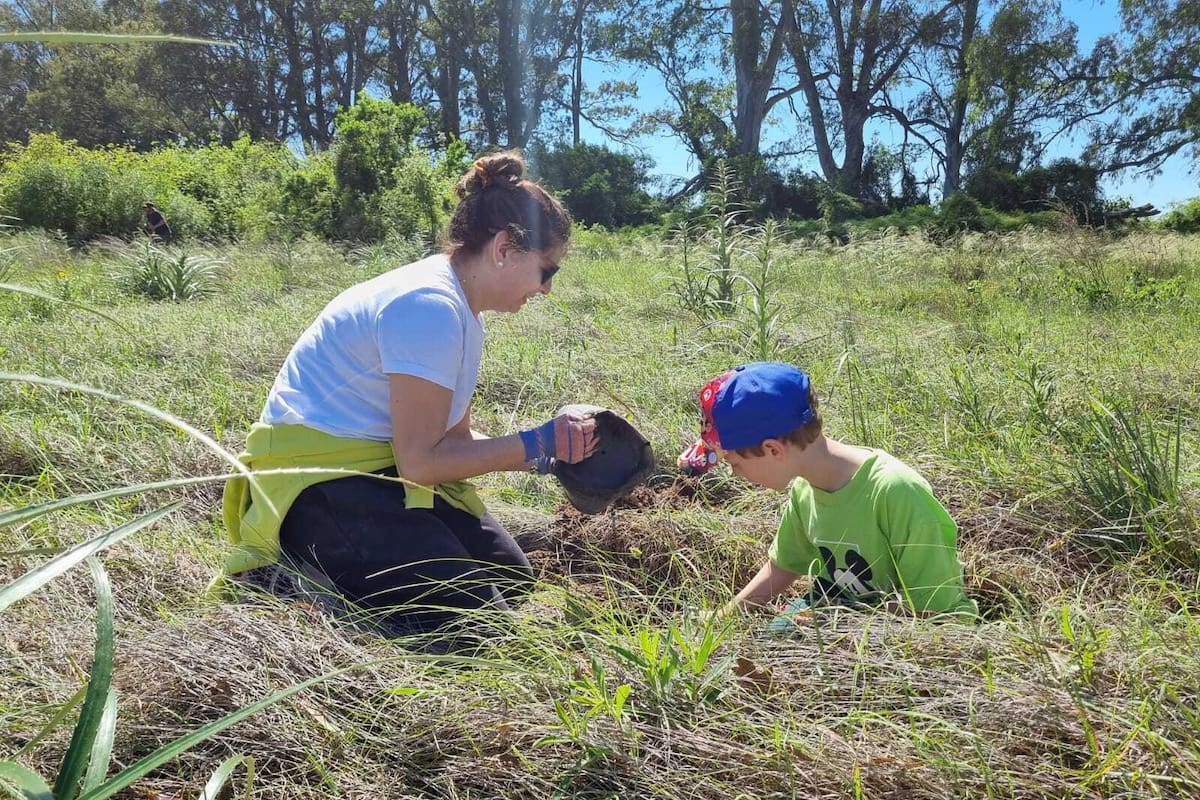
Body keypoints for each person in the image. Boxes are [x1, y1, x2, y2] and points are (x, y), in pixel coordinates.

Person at [221, 151, 598, 643]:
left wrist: (548, 455)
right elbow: (421, 464)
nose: (546, 289)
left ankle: (359, 582)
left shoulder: (463, 310)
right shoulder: (428, 306)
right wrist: (533, 441)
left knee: (512, 581)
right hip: (320, 484)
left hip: (377, 470)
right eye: (547, 271)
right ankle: (297, 581)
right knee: (474, 629)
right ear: (504, 247)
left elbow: (454, 441)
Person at [678, 362, 977, 624]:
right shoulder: (805, 489)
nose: (735, 473)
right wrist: (725, 615)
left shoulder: (895, 493)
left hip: (903, 624)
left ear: (773, 449)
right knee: (778, 638)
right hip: (837, 603)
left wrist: (842, 630)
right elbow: (784, 565)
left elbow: (938, 612)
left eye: (735, 462)